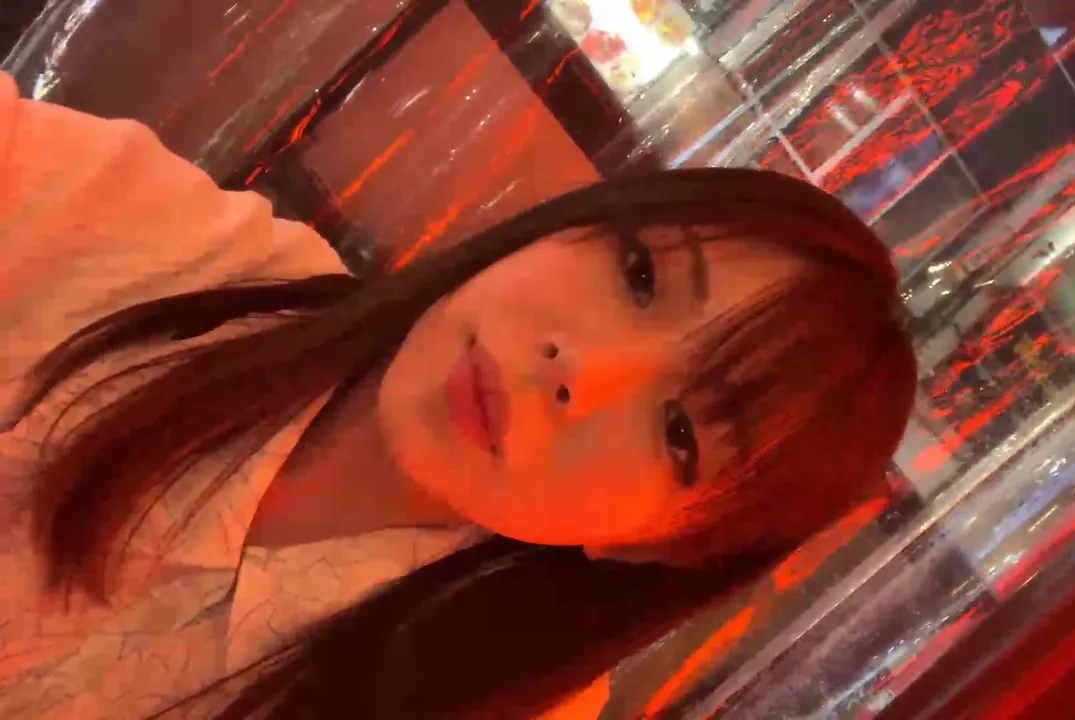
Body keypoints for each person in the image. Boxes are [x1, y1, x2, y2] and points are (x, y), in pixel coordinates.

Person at [0, 71, 916, 719]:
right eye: (640, 277)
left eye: (679, 433)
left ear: (654, 545)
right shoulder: (168, 255)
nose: (580, 369)